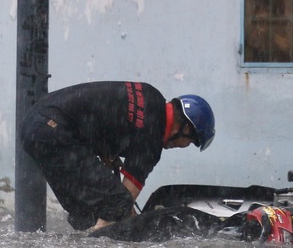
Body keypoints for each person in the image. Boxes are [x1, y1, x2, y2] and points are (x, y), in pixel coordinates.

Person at [20, 81, 215, 230]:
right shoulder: (153, 138)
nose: (183, 147)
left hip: (35, 124)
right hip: (54, 131)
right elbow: (125, 197)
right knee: (117, 205)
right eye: (189, 142)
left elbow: (105, 114)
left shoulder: (150, 96)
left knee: (85, 214)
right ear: (185, 128)